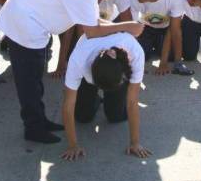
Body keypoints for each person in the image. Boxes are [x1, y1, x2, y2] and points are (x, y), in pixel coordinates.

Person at [0, 0, 144, 144]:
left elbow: (92, 21)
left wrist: (125, 26)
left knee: (35, 79)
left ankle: (40, 121)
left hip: (30, 21)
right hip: (24, 24)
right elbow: (91, 31)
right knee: (28, 82)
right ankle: (33, 128)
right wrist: (126, 26)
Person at [60, 31, 150, 161]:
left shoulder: (135, 51)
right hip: (91, 73)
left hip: (117, 72)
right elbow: (68, 104)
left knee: (116, 116)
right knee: (82, 116)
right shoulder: (79, 59)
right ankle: (96, 100)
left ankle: (111, 99)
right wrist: (73, 145)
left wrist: (135, 143)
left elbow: (132, 101)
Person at [127, 0, 191, 76]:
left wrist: (165, 62)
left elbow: (174, 30)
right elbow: (130, 31)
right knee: (142, 55)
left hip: (167, 28)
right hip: (145, 26)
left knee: (171, 56)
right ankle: (154, 45)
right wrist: (133, 64)